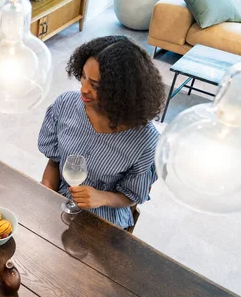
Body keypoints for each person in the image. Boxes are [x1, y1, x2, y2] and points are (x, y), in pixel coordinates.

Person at [38, 36, 166, 229]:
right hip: (61, 202)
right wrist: (44, 196)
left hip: (105, 219)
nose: (84, 89)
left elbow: (131, 197)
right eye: (83, 76)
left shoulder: (145, 142)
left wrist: (102, 197)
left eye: (95, 85)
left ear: (122, 92)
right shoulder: (65, 105)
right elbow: (54, 163)